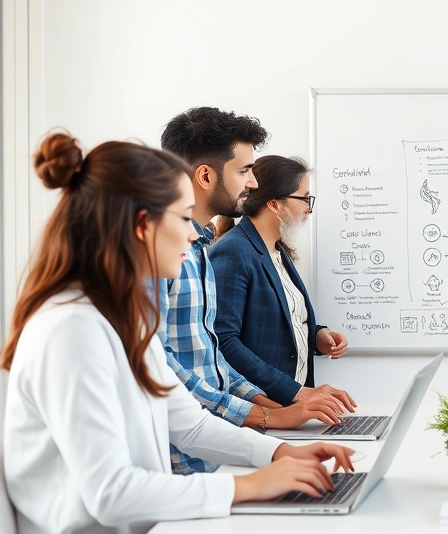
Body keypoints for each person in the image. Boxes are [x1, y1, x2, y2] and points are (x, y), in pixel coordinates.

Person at [2, 132, 355, 534]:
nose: (194, 234)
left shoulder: (126, 317)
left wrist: (281, 453)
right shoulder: (71, 330)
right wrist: (246, 486)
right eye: (183, 217)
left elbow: (189, 424)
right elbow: (110, 493)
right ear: (142, 225)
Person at [159, 107, 353, 475]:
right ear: (204, 175)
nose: (252, 184)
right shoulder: (171, 253)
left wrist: (277, 411)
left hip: (217, 447)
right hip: (186, 457)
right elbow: (168, 369)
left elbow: (214, 359)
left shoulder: (200, 249)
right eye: (245, 171)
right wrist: (269, 414)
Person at [210, 155, 352, 406]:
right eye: (305, 198)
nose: (309, 209)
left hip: (295, 408)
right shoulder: (233, 251)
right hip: (263, 410)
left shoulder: (277, 251)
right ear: (275, 204)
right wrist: (295, 391)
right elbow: (224, 341)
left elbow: (275, 323)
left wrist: (316, 336)